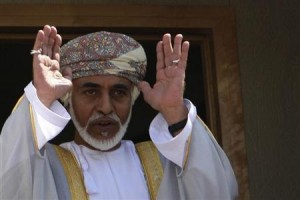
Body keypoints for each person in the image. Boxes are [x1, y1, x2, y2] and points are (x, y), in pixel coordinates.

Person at [0, 25, 238, 200]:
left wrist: (174, 111)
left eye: (119, 92)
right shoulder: (44, 168)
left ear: (133, 98)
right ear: (67, 99)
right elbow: (8, 180)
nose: (106, 107)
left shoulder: (167, 165)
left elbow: (219, 192)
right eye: (91, 92)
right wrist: (41, 98)